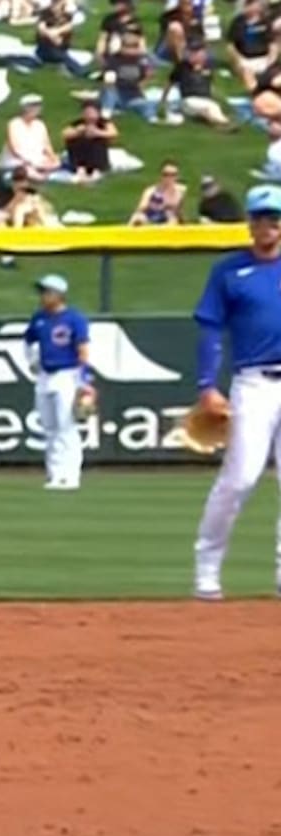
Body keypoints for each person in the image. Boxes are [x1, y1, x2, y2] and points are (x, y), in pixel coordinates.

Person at [189, 185, 281, 600]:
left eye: (275, 217)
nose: (268, 225)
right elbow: (210, 329)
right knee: (240, 478)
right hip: (254, 383)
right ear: (249, 223)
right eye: (261, 217)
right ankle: (206, 569)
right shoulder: (229, 271)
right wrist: (207, 385)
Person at [23, 274, 93, 491]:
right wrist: (32, 361)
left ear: (58, 295)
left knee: (66, 426)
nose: (43, 296)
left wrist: (84, 381)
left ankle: (71, 476)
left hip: (67, 375)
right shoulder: (39, 318)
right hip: (45, 377)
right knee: (50, 428)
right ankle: (55, 474)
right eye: (42, 292)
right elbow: (28, 341)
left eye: (47, 292)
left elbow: (83, 351)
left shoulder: (74, 318)